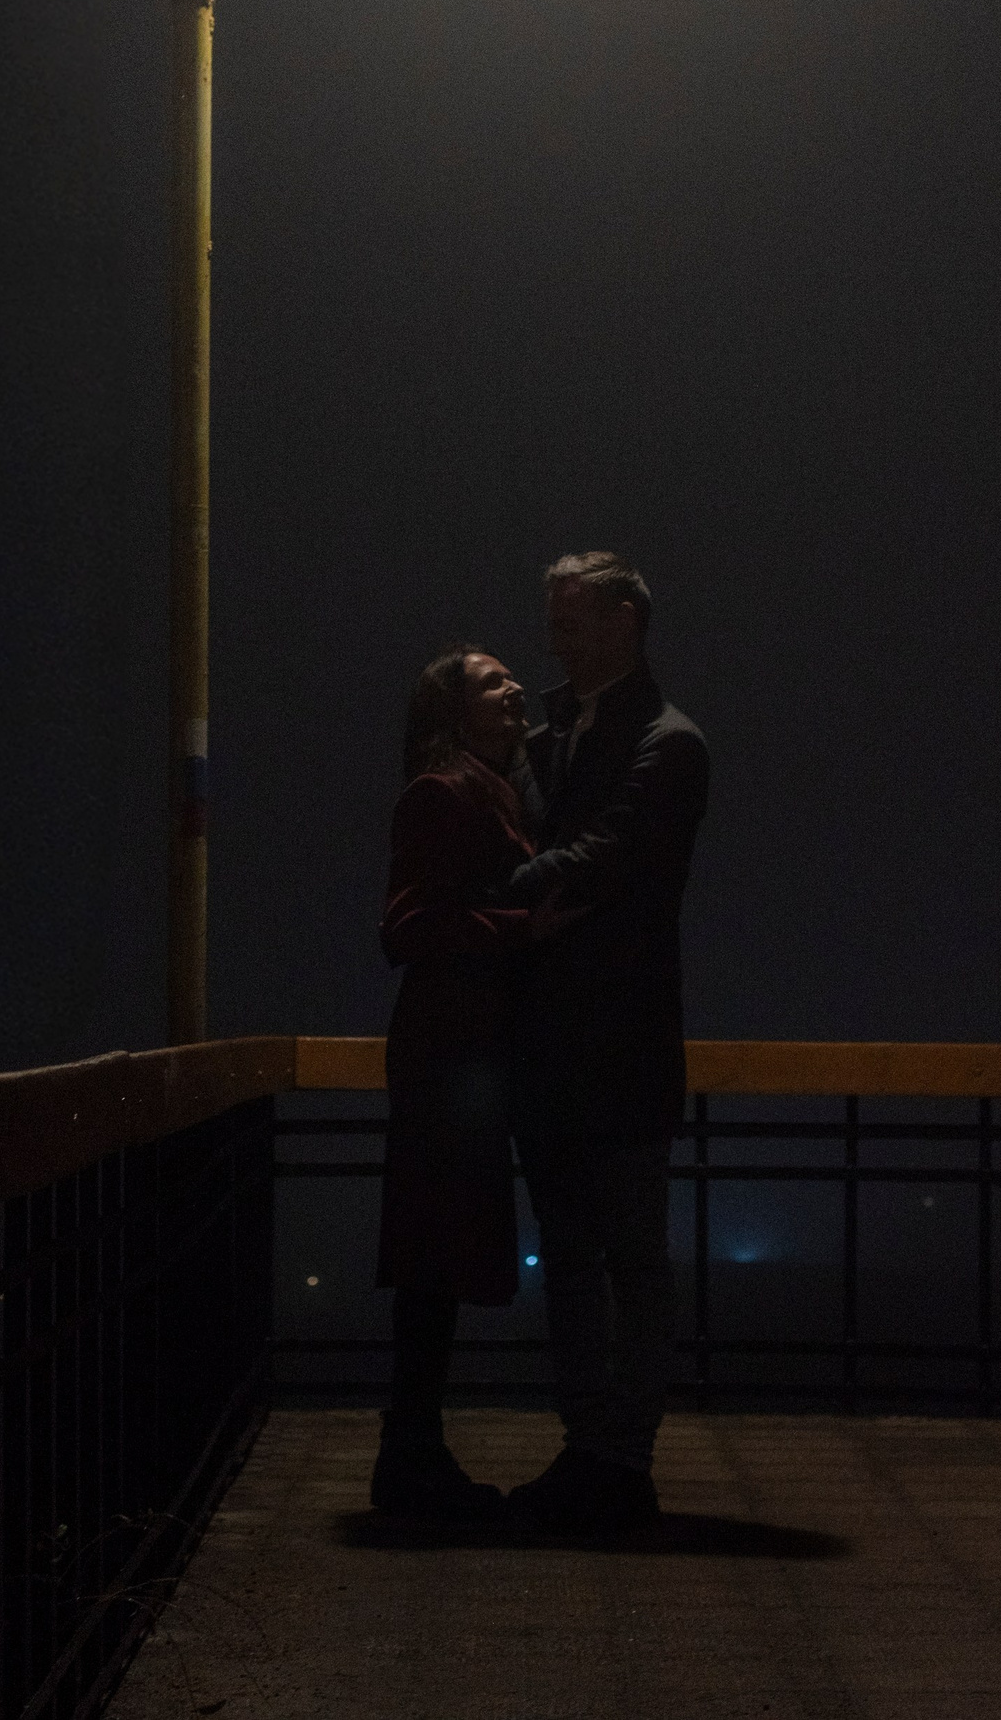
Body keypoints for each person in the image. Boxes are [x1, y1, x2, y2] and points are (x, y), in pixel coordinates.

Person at [498, 551, 709, 1534]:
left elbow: (612, 852)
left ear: (627, 619)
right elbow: (599, 855)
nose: (555, 637)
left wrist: (495, 894)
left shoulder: (667, 745)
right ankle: (601, 1454)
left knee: (616, 1258)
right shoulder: (600, 739)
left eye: (570, 618)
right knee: (591, 1260)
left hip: (609, 1044)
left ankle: (614, 1457)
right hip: (574, 1044)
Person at [371, 644, 539, 1526]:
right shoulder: (442, 793)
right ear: (453, 712)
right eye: (491, 683)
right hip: (447, 1058)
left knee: (438, 1256)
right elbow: (408, 927)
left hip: (466, 1058)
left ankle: (414, 1455)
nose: (515, 689)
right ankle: (410, 1460)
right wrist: (529, 925)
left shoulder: (493, 787)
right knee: (434, 1256)